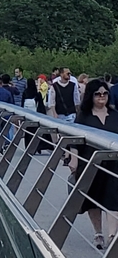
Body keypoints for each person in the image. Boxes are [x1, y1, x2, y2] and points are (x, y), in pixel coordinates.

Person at [69, 79, 118, 250]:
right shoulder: (83, 117)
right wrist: (74, 159)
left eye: (105, 93)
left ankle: (113, 236)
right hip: (91, 163)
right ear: (91, 96)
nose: (102, 97)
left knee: (114, 199)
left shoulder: (115, 115)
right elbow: (74, 141)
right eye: (98, 94)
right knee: (93, 200)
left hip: (113, 165)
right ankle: (98, 233)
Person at [22, 78, 53, 153]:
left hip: (28, 115)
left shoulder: (25, 92)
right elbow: (41, 105)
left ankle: (29, 147)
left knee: (29, 132)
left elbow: (22, 103)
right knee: (37, 131)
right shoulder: (37, 93)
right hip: (36, 115)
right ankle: (39, 146)